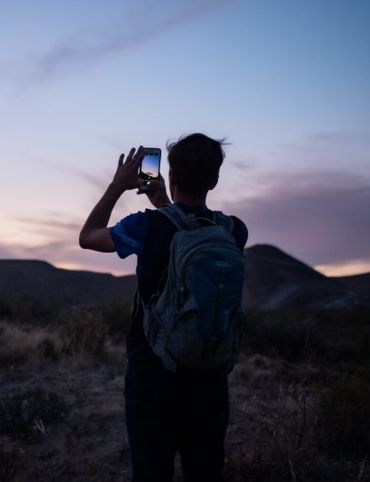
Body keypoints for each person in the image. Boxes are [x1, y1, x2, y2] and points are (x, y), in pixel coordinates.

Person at [79, 134, 248, 482]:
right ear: (215, 179)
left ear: (170, 175)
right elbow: (189, 230)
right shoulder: (234, 231)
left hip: (153, 380)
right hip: (210, 376)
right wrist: (165, 203)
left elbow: (89, 236)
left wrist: (116, 186)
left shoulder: (146, 226)